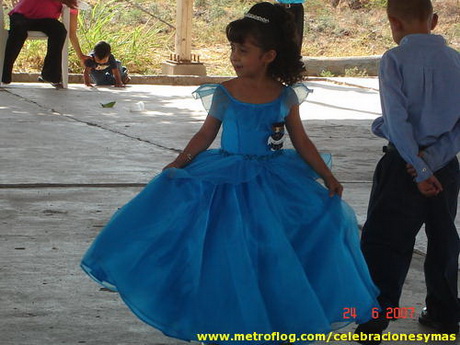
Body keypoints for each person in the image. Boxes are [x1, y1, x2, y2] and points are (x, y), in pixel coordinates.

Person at [81, 2, 379, 342]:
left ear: (268, 55)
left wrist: (327, 176)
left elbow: (301, 140)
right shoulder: (225, 92)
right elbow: (206, 134)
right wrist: (180, 162)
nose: (235, 56)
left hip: (274, 181)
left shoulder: (284, 96)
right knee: (227, 249)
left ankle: (271, 312)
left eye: (243, 50)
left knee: (278, 245)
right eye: (233, 49)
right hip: (225, 179)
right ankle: (228, 315)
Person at [356, 0, 460, 343]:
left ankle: (376, 320)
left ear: (392, 22)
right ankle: (445, 315)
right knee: (444, 240)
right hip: (445, 169)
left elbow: (397, 121)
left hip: (401, 168)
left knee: (385, 241)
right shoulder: (457, 61)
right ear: (433, 20)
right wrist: (433, 161)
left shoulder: (394, 60)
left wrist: (417, 166)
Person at [1, 0, 82, 87]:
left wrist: (81, 56)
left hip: (46, 20)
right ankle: (4, 74)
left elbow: (72, 32)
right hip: (21, 16)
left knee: (59, 30)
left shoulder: (70, 2)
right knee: (19, 31)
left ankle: (50, 75)